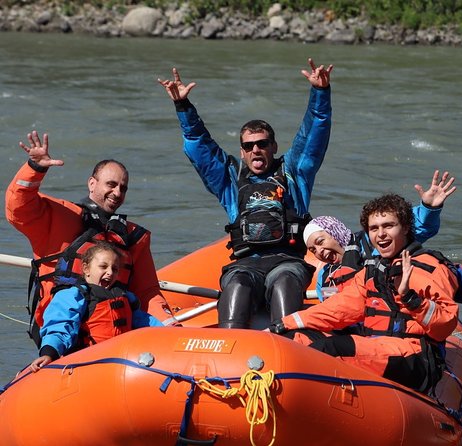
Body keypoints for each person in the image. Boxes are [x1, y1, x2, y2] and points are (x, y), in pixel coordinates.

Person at [158, 58, 333, 329]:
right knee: (236, 285)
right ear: (242, 151)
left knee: (285, 284)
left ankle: (288, 348)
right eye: (249, 146)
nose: (255, 150)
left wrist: (320, 94)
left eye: (262, 144)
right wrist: (183, 107)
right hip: (245, 265)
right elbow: (200, 149)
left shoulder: (295, 172)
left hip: (287, 263)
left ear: (273, 146)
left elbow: (312, 137)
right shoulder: (230, 180)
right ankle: (230, 349)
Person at [271, 194, 460, 393]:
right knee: (295, 338)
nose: (381, 234)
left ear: (405, 228)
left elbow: (445, 326)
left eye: (388, 226)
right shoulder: (373, 271)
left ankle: (296, 398)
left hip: (413, 355)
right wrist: (285, 324)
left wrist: (411, 299)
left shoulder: (427, 267)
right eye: (374, 228)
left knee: (329, 349)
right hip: (376, 345)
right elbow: (338, 309)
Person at [5, 131, 174, 346]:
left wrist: (171, 327)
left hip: (114, 334)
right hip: (61, 331)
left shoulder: (132, 237)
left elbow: (148, 293)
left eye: (123, 188)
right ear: (92, 184)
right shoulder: (59, 217)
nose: (117, 192)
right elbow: (17, 208)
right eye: (111, 184)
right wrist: (35, 168)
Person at [303, 169, 456, 298]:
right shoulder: (324, 276)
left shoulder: (375, 241)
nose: (319, 251)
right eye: (313, 250)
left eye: (320, 241)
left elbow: (417, 226)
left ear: (334, 232)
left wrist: (429, 208)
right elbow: (330, 308)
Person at [29, 241, 164, 372]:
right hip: (87, 364)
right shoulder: (74, 296)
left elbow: (147, 323)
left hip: (123, 361)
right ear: (86, 269)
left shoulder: (125, 297)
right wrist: (49, 353)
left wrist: (170, 335)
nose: (110, 272)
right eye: (103, 267)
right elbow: (60, 327)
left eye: (115, 269)